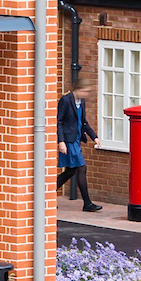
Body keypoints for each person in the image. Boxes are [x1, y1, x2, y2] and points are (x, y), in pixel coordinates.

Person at [56, 68, 103, 212]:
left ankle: (46, 195)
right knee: (81, 168)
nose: (86, 94)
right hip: (68, 140)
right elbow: (59, 121)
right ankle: (87, 203)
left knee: (71, 171)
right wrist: (61, 141)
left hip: (76, 139)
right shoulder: (65, 100)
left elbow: (83, 122)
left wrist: (94, 137)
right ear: (78, 89)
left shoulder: (81, 102)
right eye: (85, 91)